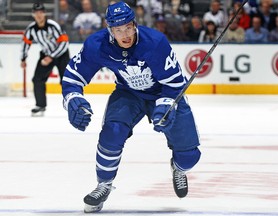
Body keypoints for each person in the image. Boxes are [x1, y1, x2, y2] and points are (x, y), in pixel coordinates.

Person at [61, 1, 201, 213]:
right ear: (110, 30)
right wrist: (72, 99)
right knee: (112, 133)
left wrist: (166, 105)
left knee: (190, 156)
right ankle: (104, 185)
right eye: (118, 30)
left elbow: (174, 83)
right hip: (128, 94)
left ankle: (178, 167)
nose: (125, 34)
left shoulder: (155, 42)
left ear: (135, 24)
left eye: (128, 27)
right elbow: (73, 77)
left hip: (162, 93)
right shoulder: (97, 45)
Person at [20, 2, 70, 116]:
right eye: (36, 13)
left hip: (61, 54)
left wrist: (52, 56)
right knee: (37, 79)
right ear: (33, 14)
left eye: (41, 12)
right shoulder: (31, 29)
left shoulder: (54, 25)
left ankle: (74, 104)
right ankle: (40, 105)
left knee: (67, 80)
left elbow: (64, 43)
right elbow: (25, 43)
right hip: (46, 55)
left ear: (44, 13)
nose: (39, 15)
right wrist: (23, 59)